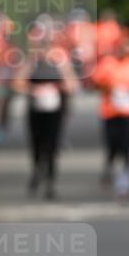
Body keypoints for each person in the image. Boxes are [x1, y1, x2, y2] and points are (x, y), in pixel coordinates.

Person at [13, 22, 79, 199]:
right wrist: (33, 90)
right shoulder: (32, 61)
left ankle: (50, 182)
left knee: (52, 146)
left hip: (54, 111)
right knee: (36, 144)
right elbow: (18, 83)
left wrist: (57, 87)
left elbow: (72, 84)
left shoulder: (59, 60)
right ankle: (36, 172)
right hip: (35, 110)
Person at [92, 37, 129, 200]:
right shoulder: (108, 63)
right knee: (112, 149)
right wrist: (111, 87)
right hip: (111, 113)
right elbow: (96, 83)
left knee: (127, 150)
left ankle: (123, 187)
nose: (126, 50)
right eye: (123, 46)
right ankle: (108, 172)